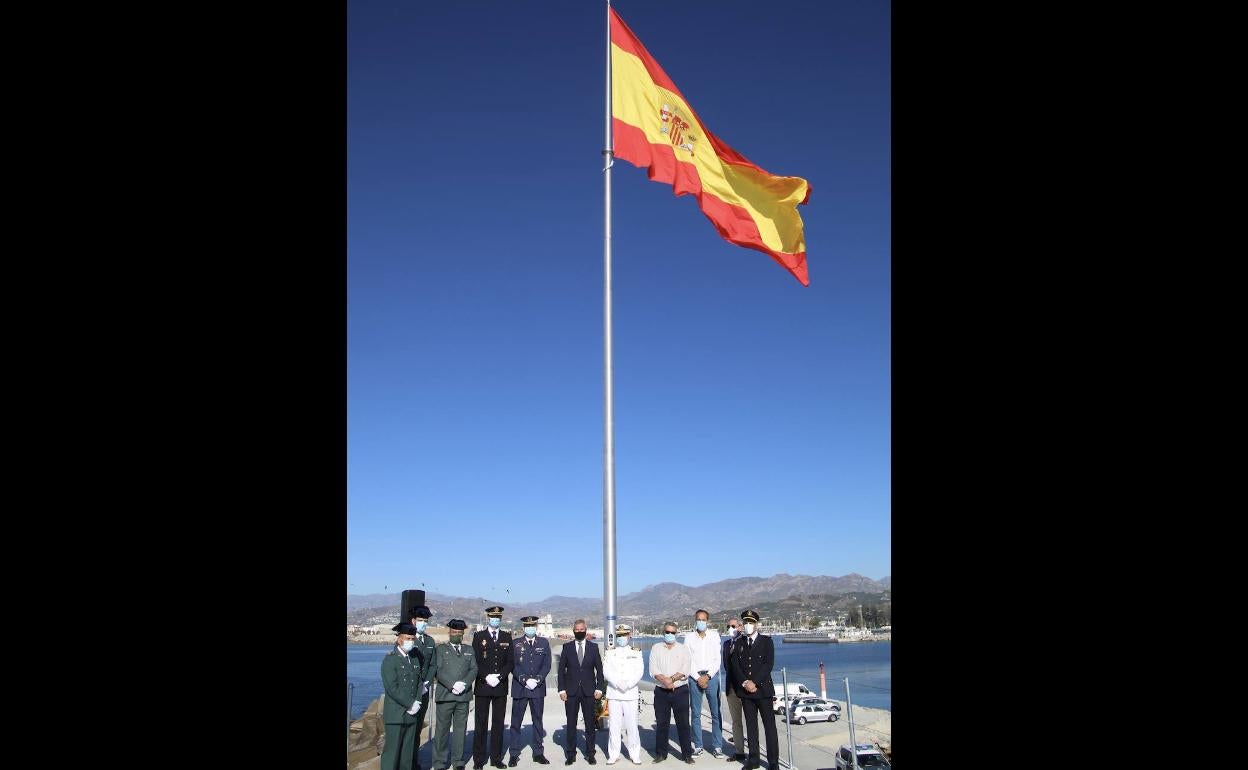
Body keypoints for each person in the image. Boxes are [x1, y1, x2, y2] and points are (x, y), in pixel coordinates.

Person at [728, 611, 777, 770]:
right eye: (746, 622)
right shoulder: (739, 642)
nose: (748, 625)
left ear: (756, 624)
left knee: (769, 727)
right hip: (746, 692)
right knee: (751, 727)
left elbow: (768, 665)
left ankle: (773, 762)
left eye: (751, 622)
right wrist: (744, 682)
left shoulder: (766, 642)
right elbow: (735, 665)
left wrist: (754, 682)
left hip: (763, 691)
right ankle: (754, 759)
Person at [557, 618, 605, 765]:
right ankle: (571, 753)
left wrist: (599, 688)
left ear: (586, 630)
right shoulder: (567, 647)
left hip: (589, 691)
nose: (579, 631)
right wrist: (561, 690)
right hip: (570, 692)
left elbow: (600, 670)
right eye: (576, 629)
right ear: (573, 630)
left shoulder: (593, 647)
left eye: (581, 629)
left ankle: (590, 753)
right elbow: (561, 671)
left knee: (590, 724)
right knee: (571, 724)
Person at [382, 622, 429, 770]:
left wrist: (418, 702)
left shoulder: (414, 659)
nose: (410, 641)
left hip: (411, 715)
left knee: (407, 756)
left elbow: (418, 683)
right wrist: (410, 703)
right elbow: (392, 687)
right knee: (392, 755)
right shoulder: (390, 659)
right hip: (396, 715)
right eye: (407, 638)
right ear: (399, 639)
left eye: (412, 639)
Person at [472, 606, 513, 770]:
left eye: (498, 617)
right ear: (488, 618)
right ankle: (478, 760)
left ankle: (496, 758)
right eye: (493, 617)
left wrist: (500, 676)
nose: (495, 620)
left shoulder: (506, 636)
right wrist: (485, 676)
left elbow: (510, 661)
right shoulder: (479, 636)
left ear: (500, 619)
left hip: (500, 687)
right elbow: (474, 661)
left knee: (498, 724)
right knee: (480, 724)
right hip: (483, 686)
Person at [433, 619, 478, 770]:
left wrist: (464, 684)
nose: (456, 635)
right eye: (454, 632)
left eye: (459, 633)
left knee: (460, 730)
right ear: (449, 633)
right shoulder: (440, 649)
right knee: (442, 731)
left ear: (463, 634)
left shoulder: (469, 650)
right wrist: (452, 685)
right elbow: (438, 670)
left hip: (463, 696)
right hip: (446, 695)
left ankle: (458, 761)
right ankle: (439, 762)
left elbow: (474, 669)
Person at [647, 621, 694, 764]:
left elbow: (685, 669)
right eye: (667, 632)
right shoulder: (656, 648)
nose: (669, 635)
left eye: (672, 632)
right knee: (662, 723)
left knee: (684, 724)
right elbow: (653, 669)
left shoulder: (684, 649)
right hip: (661, 692)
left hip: (680, 691)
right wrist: (664, 681)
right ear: (663, 633)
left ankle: (687, 754)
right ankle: (661, 753)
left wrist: (671, 680)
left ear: (676, 633)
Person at [509, 615, 553, 766]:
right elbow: (512, 665)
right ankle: (514, 753)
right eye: (527, 626)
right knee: (516, 722)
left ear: (536, 627)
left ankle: (538, 752)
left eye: (533, 626)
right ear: (523, 628)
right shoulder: (515, 643)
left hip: (537, 688)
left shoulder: (543, 642)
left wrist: (538, 679)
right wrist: (524, 679)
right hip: (520, 688)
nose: (530, 628)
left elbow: (547, 664)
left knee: (537, 721)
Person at [602, 623, 644, 766]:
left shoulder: (636, 652)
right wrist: (617, 682)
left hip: (630, 693)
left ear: (629, 636)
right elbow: (606, 671)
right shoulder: (610, 651)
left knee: (632, 725)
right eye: (619, 635)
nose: (621, 638)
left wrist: (628, 683)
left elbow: (639, 671)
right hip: (614, 693)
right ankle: (613, 754)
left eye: (624, 635)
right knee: (614, 726)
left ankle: (635, 754)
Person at [683, 609, 723, 758]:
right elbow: (687, 659)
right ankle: (698, 745)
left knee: (716, 713)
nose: (700, 622)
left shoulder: (714, 636)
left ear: (707, 621)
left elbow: (717, 659)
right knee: (695, 714)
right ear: (695, 620)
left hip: (711, 678)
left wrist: (708, 676)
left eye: (703, 619)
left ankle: (717, 746)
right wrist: (697, 677)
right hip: (694, 678)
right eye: (698, 619)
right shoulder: (688, 638)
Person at [407, 605, 440, 770]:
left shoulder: (429, 641)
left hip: (424, 691)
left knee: (418, 727)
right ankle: (405, 762)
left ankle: (414, 761)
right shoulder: (407, 639)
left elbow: (433, 664)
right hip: (409, 692)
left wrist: (427, 683)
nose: (423, 624)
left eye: (425, 621)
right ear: (413, 621)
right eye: (420, 621)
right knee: (407, 729)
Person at [720, 618, 747, 763]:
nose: (731, 628)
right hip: (731, 689)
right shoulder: (725, 645)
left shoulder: (745, 641)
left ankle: (754, 753)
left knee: (750, 721)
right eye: (728, 626)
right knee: (736, 722)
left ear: (740, 627)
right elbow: (726, 665)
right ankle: (739, 751)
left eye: (733, 626)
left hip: (745, 688)